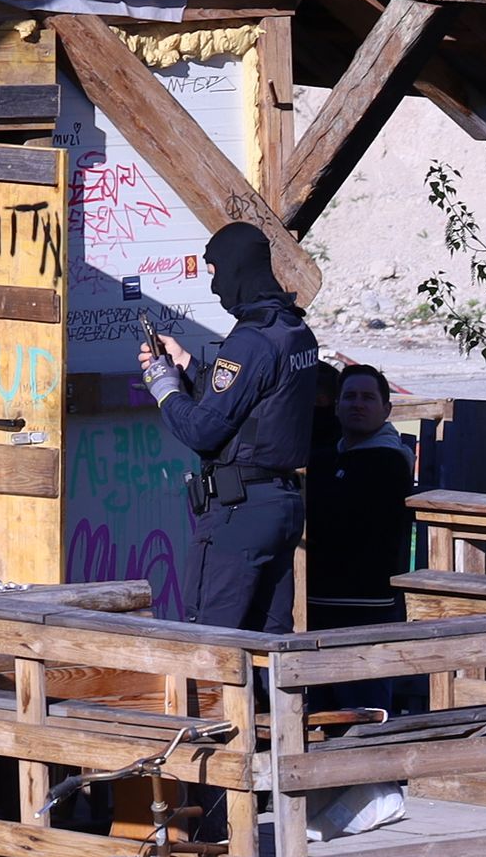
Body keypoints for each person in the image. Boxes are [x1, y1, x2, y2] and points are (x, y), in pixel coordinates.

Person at [139, 223, 320, 633]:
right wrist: (187, 366)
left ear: (236, 269)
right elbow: (255, 402)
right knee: (269, 640)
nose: (215, 287)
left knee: (211, 637)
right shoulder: (293, 330)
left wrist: (164, 389)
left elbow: (205, 431)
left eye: (215, 272)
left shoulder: (251, 339)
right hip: (282, 505)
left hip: (240, 510)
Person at [304, 362, 418, 634]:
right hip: (319, 598)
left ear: (386, 409)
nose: (358, 404)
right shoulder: (328, 458)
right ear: (336, 407)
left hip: (366, 603)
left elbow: (332, 514)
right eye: (349, 397)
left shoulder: (389, 461)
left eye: (368, 398)